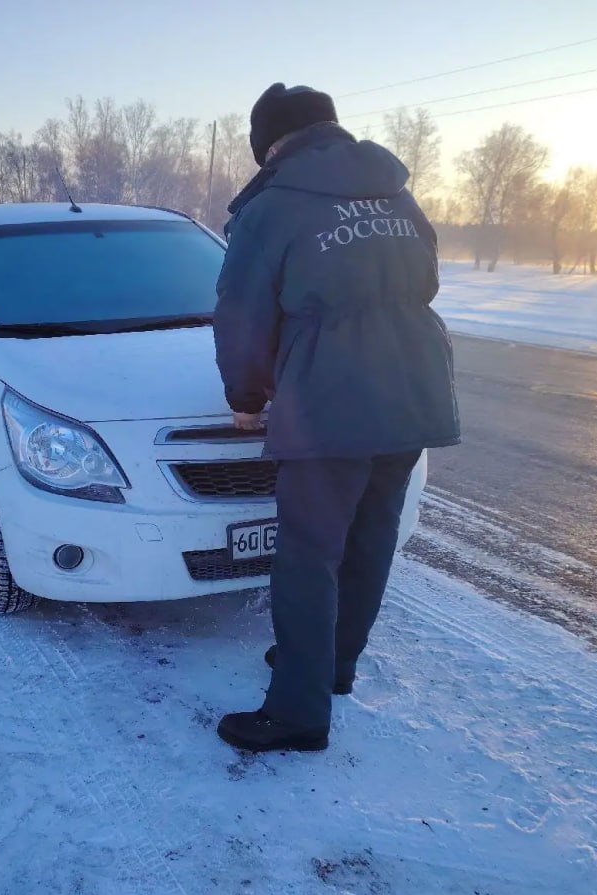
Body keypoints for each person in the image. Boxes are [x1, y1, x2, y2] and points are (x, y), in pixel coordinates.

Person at [213, 83, 460, 753]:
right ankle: (333, 666)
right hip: (413, 387)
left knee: (307, 555)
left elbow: (241, 317)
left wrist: (246, 398)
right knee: (370, 537)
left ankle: (297, 711)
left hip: (329, 400)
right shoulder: (397, 194)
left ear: (270, 146)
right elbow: (426, 283)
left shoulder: (274, 207)